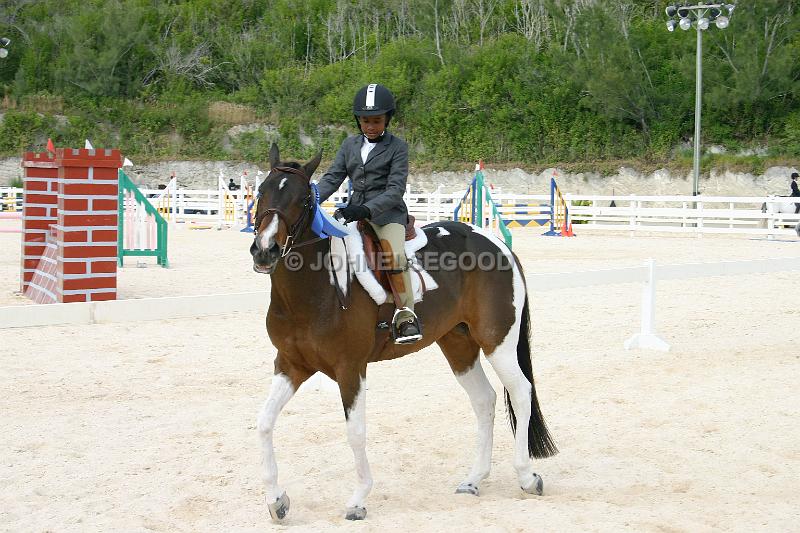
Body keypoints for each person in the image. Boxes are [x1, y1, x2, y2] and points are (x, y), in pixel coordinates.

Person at [316, 83, 422, 345]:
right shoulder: (349, 145)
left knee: (393, 253)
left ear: (387, 119)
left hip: (387, 215)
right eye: (365, 121)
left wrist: (365, 209)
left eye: (376, 121)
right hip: (354, 213)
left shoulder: (398, 147)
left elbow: (395, 190)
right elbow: (332, 178)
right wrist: (310, 199)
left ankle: (406, 315)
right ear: (358, 120)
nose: (371, 126)